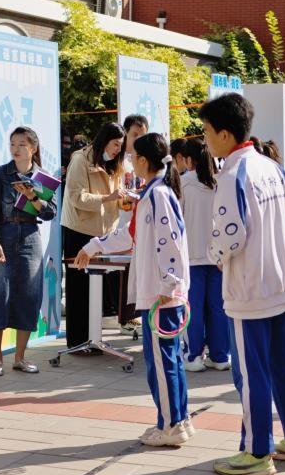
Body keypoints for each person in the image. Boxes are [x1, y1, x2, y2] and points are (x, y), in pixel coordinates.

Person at [200, 94, 285, 475]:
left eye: (207, 131)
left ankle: (256, 451)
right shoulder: (272, 167)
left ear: (225, 134)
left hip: (250, 290)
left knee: (252, 374)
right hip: (283, 283)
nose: (205, 139)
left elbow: (230, 235)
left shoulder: (233, 174)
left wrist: (215, 254)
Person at [75, 133, 194, 447]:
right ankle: (176, 419)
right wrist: (94, 246)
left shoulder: (157, 195)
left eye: (132, 156)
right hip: (160, 291)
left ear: (143, 160)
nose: (129, 161)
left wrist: (169, 283)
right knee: (167, 360)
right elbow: (129, 236)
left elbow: (169, 242)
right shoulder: (154, 193)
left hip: (161, 294)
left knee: (162, 363)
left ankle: (171, 425)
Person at [0, 127, 58, 376]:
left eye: (21, 144)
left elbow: (50, 213)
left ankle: (20, 358)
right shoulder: (0, 174)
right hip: (3, 236)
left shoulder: (43, 178)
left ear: (33, 148)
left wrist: (33, 196)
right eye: (12, 144)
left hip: (30, 237)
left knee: (28, 296)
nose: (15, 149)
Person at [60, 123, 127, 350]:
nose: (118, 149)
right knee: (79, 288)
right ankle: (78, 342)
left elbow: (116, 196)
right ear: (104, 140)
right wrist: (108, 198)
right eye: (115, 144)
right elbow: (76, 197)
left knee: (95, 288)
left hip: (103, 233)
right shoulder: (80, 160)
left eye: (120, 145)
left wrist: (125, 199)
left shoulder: (115, 163)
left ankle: (93, 338)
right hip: (80, 231)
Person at [178, 137, 230, 372]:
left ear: (189, 160)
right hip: (217, 256)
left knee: (193, 309)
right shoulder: (219, 182)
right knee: (218, 308)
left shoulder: (183, 183)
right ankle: (220, 356)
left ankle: (194, 355)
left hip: (191, 256)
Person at [116, 115, 151, 328]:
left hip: (139, 221)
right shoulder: (118, 160)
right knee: (123, 270)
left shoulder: (145, 159)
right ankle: (124, 316)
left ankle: (133, 314)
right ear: (125, 134)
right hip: (120, 221)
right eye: (134, 135)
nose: (139, 139)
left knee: (136, 268)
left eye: (142, 135)